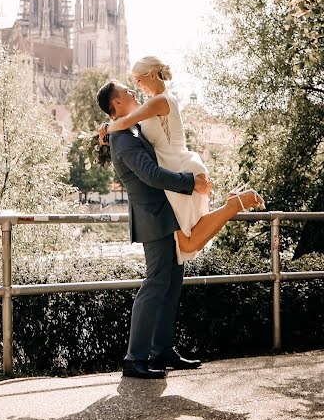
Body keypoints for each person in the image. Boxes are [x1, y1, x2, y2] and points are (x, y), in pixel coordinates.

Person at [96, 79, 263, 380]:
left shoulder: (126, 130)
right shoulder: (123, 138)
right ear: (116, 103)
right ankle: (134, 359)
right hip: (154, 217)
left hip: (165, 212)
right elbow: (149, 174)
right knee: (156, 283)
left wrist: (108, 128)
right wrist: (191, 182)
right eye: (126, 91)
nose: (132, 92)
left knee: (171, 284)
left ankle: (161, 350)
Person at [99, 56, 265, 264]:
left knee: (188, 241)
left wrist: (106, 129)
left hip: (179, 166)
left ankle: (234, 204)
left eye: (138, 81)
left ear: (151, 75)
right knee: (187, 241)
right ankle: (233, 204)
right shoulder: (155, 103)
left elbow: (124, 123)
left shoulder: (159, 101)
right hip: (176, 166)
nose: (137, 86)